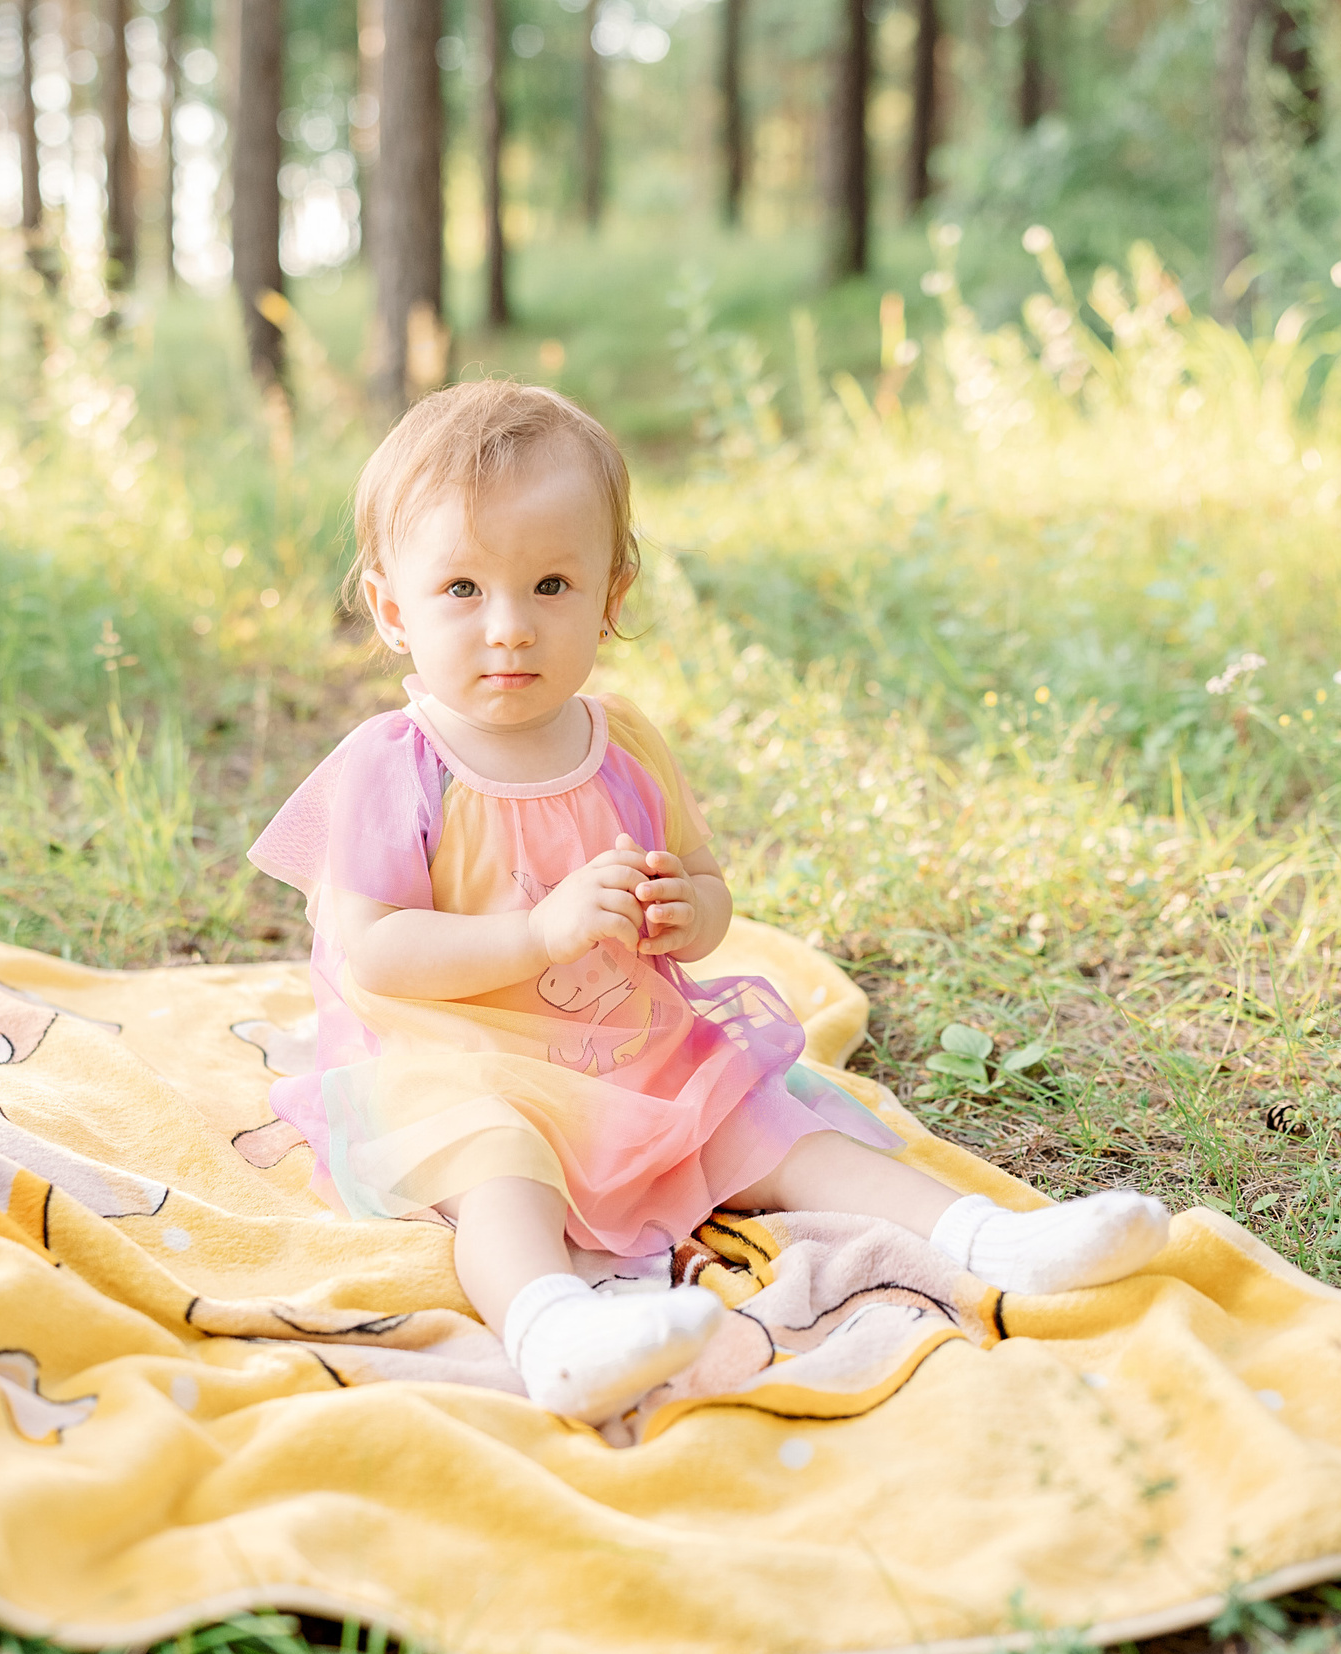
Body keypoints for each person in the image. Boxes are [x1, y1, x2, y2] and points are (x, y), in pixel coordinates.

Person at [249, 381, 1168, 1426]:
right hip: (460, 1059)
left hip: (630, 1050)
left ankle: (990, 1236)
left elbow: (703, 879)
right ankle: (553, 1329)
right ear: (391, 609)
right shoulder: (398, 763)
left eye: (550, 584)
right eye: (462, 587)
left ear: (611, 594)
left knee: (776, 1130)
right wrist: (539, 932)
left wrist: (689, 912)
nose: (509, 628)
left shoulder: (624, 744)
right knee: (502, 1171)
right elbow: (375, 949)